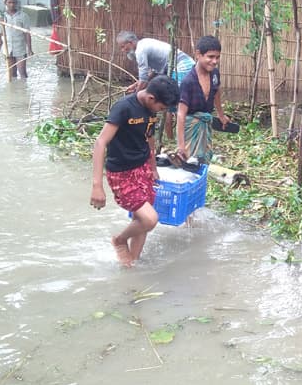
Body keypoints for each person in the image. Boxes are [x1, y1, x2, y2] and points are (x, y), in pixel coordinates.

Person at [90, 75, 180, 268]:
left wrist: (153, 167)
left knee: (142, 221)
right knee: (150, 218)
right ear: (151, 99)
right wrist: (97, 186)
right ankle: (120, 240)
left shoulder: (151, 110)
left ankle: (132, 265)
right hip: (121, 174)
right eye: (162, 108)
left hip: (143, 169)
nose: (162, 112)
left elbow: (149, 138)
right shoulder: (123, 108)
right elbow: (100, 142)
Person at [116, 30, 195, 140]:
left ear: (130, 43)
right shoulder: (145, 43)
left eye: (123, 47)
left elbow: (143, 79)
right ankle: (171, 138)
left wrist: (134, 98)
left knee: (171, 102)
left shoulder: (140, 51)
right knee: (170, 104)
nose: (123, 50)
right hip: (186, 64)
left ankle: (178, 139)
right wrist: (135, 85)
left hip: (182, 67)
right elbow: (151, 74)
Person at [174, 35, 238, 164]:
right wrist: (181, 145)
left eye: (217, 57)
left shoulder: (214, 74)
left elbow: (216, 92)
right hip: (190, 127)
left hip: (205, 122)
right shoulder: (189, 81)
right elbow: (181, 114)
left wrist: (221, 114)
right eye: (210, 57)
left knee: (204, 159)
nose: (214, 61)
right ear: (198, 54)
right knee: (188, 162)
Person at [0, 0, 32, 79]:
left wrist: (29, 49)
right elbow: (0, 35)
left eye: (14, 2)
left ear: (16, 3)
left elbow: (27, 34)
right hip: (7, 49)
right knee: (12, 74)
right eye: (9, 2)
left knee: (22, 73)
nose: (12, 5)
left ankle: (23, 90)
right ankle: (14, 91)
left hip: (20, 48)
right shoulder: (2, 17)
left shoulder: (23, 16)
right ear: (5, 3)